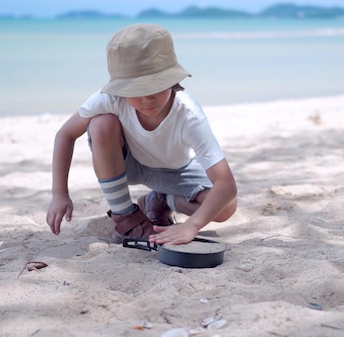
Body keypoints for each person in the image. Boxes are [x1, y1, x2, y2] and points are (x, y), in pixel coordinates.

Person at [46, 23, 237, 245]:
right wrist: (59, 193)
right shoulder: (110, 99)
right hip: (124, 163)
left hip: (174, 170)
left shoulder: (189, 115)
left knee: (226, 207)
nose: (146, 99)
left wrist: (191, 225)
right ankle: (124, 215)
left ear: (172, 80)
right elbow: (65, 135)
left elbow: (226, 183)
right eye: (136, 91)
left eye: (154, 86)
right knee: (101, 124)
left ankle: (161, 200)